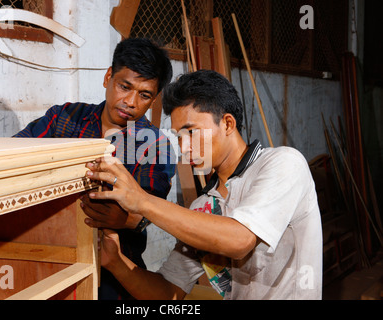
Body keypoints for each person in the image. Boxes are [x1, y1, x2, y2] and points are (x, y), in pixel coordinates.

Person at [82, 69, 323, 300]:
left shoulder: (282, 163)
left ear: (228, 124)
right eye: (178, 137)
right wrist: (115, 262)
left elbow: (239, 240)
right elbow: (168, 292)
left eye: (192, 132)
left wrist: (141, 201)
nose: (184, 148)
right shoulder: (203, 207)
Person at [14, 38, 176, 300]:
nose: (131, 102)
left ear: (154, 99)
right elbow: (16, 154)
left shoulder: (155, 145)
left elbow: (152, 210)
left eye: (144, 95)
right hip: (51, 260)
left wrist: (124, 219)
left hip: (117, 275)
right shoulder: (64, 118)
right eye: (125, 86)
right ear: (108, 77)